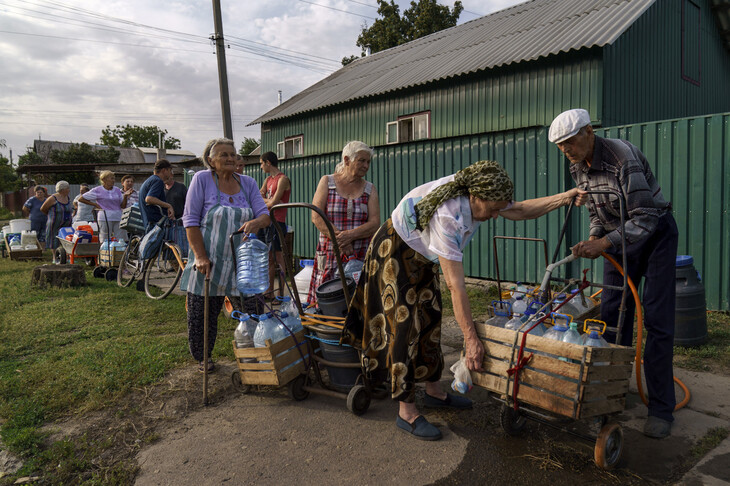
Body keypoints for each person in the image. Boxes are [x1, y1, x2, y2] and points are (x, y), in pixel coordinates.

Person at [342, 160, 587, 440]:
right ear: (475, 197)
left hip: (421, 254)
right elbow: (456, 287)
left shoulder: (483, 190)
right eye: (493, 209)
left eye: (498, 208)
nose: (496, 215)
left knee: (431, 316)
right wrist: (471, 340)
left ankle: (433, 390)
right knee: (405, 326)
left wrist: (564, 197)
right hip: (395, 251)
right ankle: (406, 411)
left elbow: (519, 209)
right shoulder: (450, 218)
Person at [549, 108, 678, 439]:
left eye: (570, 142)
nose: (567, 150)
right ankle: (608, 399)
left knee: (657, 320)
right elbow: (597, 209)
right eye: (561, 146)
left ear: (589, 132)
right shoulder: (578, 166)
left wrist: (604, 241)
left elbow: (646, 217)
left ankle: (662, 408)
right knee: (611, 317)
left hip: (655, 236)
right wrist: (595, 236)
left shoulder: (622, 158)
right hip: (616, 239)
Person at [179, 138, 270, 373]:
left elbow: (265, 216)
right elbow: (190, 221)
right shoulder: (201, 180)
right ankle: (203, 358)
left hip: (243, 262)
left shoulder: (248, 183)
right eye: (223, 155)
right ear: (210, 160)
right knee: (203, 314)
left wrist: (256, 221)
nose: (230, 158)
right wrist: (199, 256)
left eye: (233, 154)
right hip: (209, 260)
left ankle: (254, 355)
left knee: (252, 311)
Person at [307, 141, 380, 306]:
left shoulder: (369, 189)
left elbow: (375, 223)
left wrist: (349, 236)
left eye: (368, 162)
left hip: (359, 254)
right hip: (331, 252)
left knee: (358, 296)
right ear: (347, 160)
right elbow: (316, 216)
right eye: (361, 160)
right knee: (326, 296)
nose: (366, 165)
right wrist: (339, 239)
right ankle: (325, 328)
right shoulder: (327, 182)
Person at [258, 151, 291, 299]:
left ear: (268, 163)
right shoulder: (267, 180)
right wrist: (266, 200)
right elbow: (260, 197)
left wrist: (266, 200)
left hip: (278, 222)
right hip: (267, 220)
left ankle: (281, 293)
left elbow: (272, 202)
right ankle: (269, 292)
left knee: (279, 257)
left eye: (261, 163)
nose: (261, 167)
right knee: (269, 258)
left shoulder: (283, 179)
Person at [79, 171, 126, 243]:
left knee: (121, 239)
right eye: (111, 178)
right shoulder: (98, 190)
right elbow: (81, 199)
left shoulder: (117, 190)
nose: (114, 180)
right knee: (105, 239)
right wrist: (95, 205)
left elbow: (123, 206)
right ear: (104, 180)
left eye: (114, 178)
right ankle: (104, 253)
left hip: (118, 217)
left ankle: (119, 253)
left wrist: (125, 196)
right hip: (104, 217)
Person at [138, 159, 175, 229]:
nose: (170, 173)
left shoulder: (149, 180)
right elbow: (149, 199)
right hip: (156, 225)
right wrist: (168, 206)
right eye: (170, 170)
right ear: (164, 170)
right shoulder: (158, 181)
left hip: (149, 224)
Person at [41, 180, 73, 257]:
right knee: (54, 240)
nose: (69, 190)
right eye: (67, 188)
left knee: (67, 239)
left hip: (66, 223)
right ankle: (55, 257)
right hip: (54, 223)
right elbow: (43, 208)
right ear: (62, 189)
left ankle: (65, 256)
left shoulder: (67, 198)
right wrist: (50, 216)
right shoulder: (52, 198)